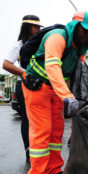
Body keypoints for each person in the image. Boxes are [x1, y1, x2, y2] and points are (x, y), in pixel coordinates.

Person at [22, 11, 88, 174]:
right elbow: (52, 67)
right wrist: (67, 96)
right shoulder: (57, 37)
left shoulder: (78, 49)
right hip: (38, 86)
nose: (87, 35)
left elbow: (79, 76)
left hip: (56, 91)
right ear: (76, 27)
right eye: (85, 31)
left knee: (56, 131)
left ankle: (53, 170)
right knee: (42, 131)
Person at [2, 15, 42, 162]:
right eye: (35, 26)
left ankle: (39, 148)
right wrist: (23, 73)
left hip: (39, 86)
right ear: (27, 27)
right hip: (23, 85)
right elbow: (6, 64)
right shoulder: (19, 45)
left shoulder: (40, 43)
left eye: (39, 27)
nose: (38, 29)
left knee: (39, 120)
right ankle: (28, 150)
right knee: (27, 118)